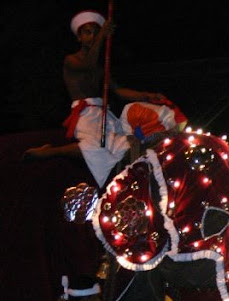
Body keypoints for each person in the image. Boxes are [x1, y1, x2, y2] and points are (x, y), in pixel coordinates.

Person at [23, 10, 169, 188]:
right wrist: (102, 36)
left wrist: (147, 95)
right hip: (85, 115)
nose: (92, 36)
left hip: (103, 113)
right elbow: (88, 64)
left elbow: (119, 91)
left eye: (96, 32)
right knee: (94, 148)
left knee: (126, 146)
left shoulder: (101, 67)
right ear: (79, 37)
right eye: (88, 32)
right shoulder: (71, 60)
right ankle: (51, 151)